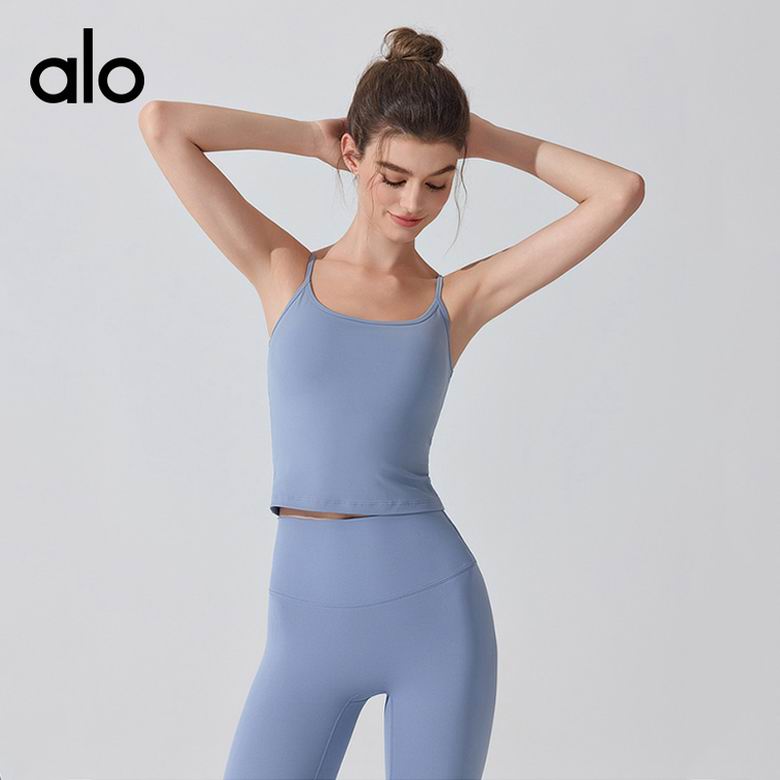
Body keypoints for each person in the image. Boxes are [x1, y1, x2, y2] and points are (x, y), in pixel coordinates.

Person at [138, 25, 644, 780]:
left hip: (431, 613)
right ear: (354, 156)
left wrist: (483, 138)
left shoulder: (456, 300)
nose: (414, 202)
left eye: (438, 182)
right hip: (302, 627)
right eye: (393, 175)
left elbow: (619, 191)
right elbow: (164, 125)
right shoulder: (283, 270)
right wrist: (308, 136)